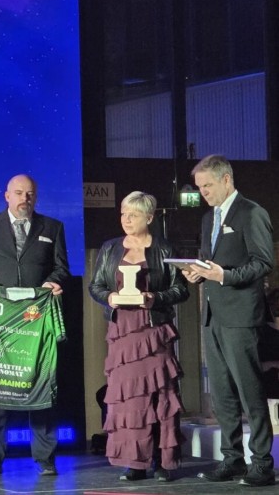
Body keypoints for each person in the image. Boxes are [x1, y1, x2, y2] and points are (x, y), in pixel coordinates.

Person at [0, 174, 69, 477]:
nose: (25, 198)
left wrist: (53, 282)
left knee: (41, 384)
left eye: (30, 193)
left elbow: (61, 267)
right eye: (19, 193)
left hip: (36, 321)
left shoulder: (52, 227)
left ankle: (45, 459)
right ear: (7, 196)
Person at [185, 155, 276, 487]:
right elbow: (210, 261)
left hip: (240, 315)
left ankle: (262, 463)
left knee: (250, 390)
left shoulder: (251, 213)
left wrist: (224, 275)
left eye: (208, 186)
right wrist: (198, 272)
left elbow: (263, 262)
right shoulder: (208, 218)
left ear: (226, 180)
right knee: (222, 392)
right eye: (200, 188)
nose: (204, 193)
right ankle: (232, 458)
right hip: (212, 315)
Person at [88, 191, 188, 482]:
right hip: (123, 334)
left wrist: (155, 298)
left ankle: (163, 460)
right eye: (123, 213)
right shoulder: (110, 248)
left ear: (150, 217)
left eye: (133, 214)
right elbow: (95, 286)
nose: (126, 219)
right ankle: (135, 462)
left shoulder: (164, 249)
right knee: (130, 401)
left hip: (153, 332)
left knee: (160, 395)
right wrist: (109, 297)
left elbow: (180, 290)